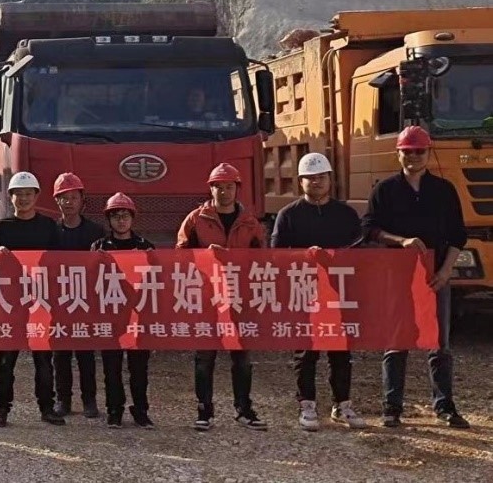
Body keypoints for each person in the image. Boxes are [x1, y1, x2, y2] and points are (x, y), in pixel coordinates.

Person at [363, 126, 470, 429]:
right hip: (398, 275)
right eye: (407, 151)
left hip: (435, 275)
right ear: (398, 153)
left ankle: (445, 406)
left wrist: (446, 271)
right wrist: (400, 241)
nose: (413, 156)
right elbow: (369, 228)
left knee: (439, 344)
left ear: (428, 152)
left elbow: (458, 235)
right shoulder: (385, 190)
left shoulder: (444, 190)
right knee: (397, 342)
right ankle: (391, 407)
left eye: (419, 151)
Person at [270, 153, 367, 431]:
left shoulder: (346, 214)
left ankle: (342, 404)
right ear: (300, 181)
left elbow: (360, 252)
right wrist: (303, 256)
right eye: (310, 178)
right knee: (306, 351)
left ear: (330, 179)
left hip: (339, 291)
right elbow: (275, 255)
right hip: (305, 291)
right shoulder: (288, 215)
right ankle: (307, 404)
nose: (316, 182)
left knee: (341, 350)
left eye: (321, 177)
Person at [175, 162, 267, 432]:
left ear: (237, 189)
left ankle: (244, 409)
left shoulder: (250, 222)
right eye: (219, 187)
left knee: (242, 357)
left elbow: (262, 259)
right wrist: (205, 256)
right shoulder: (196, 219)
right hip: (208, 297)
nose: (224, 192)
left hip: (239, 297)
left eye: (229, 187)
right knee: (205, 356)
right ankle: (204, 411)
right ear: (211, 189)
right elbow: (180, 255)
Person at [0, 171, 62, 428]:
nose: (23, 199)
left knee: (44, 359)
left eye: (28, 194)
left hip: (41, 302)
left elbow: (61, 263)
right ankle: (1, 410)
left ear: (36, 196)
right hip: (11, 304)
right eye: (18, 194)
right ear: (11, 197)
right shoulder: (3, 227)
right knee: (6, 361)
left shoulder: (49, 226)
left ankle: (47, 408)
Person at [92, 193, 155, 429]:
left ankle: (141, 410)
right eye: (116, 216)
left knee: (139, 367)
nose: (121, 220)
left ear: (132, 218)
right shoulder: (99, 247)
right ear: (109, 220)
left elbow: (158, 279)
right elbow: (89, 279)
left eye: (125, 215)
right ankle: (114, 410)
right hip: (111, 315)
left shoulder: (145, 247)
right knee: (111, 366)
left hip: (138, 314)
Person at [50, 172, 104, 419]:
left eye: (73, 197)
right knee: (60, 353)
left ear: (82, 200)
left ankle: (89, 400)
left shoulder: (95, 231)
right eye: (64, 198)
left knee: (85, 353)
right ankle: (63, 400)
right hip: (59, 300)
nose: (69, 202)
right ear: (57, 201)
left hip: (86, 300)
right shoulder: (51, 231)